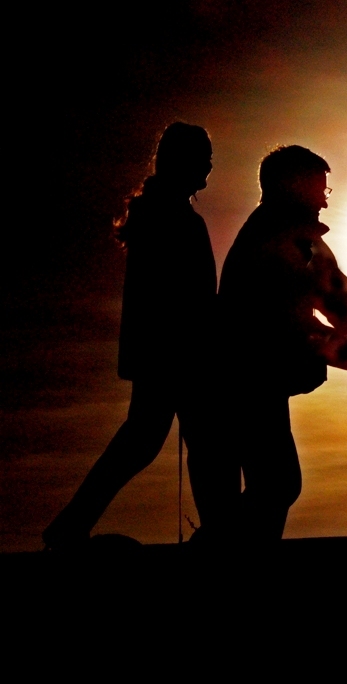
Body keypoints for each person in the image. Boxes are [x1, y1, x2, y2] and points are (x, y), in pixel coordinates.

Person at [43, 122, 221, 549]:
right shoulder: (172, 217)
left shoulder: (159, 212)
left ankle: (70, 526)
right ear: (184, 162)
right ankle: (218, 531)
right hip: (176, 352)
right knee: (192, 439)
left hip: (162, 351)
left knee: (153, 440)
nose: (210, 168)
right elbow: (179, 296)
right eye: (204, 159)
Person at [217, 145, 347, 542]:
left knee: (274, 483)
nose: (324, 203)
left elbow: (315, 309)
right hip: (251, 376)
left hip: (244, 374)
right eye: (319, 190)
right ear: (293, 186)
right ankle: (222, 548)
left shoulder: (267, 232)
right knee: (278, 483)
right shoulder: (290, 238)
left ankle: (227, 543)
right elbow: (333, 297)